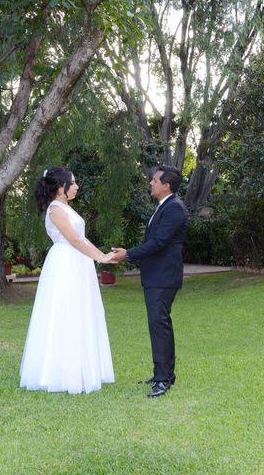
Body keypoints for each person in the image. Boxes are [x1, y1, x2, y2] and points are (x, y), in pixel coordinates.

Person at [19, 167, 116, 394]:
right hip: (65, 263)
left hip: (78, 262)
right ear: (61, 187)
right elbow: (73, 240)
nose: (77, 187)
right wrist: (100, 257)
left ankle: (81, 367)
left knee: (80, 311)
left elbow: (82, 239)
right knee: (64, 312)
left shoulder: (65, 208)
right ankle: (59, 372)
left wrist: (102, 255)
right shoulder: (55, 210)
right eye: (73, 183)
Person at [111, 165, 188, 398]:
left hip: (163, 278)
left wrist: (128, 254)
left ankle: (163, 379)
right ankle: (162, 374)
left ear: (166, 185)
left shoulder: (174, 208)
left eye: (154, 180)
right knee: (159, 325)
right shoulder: (164, 206)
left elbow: (159, 242)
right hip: (156, 276)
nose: (150, 183)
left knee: (159, 325)